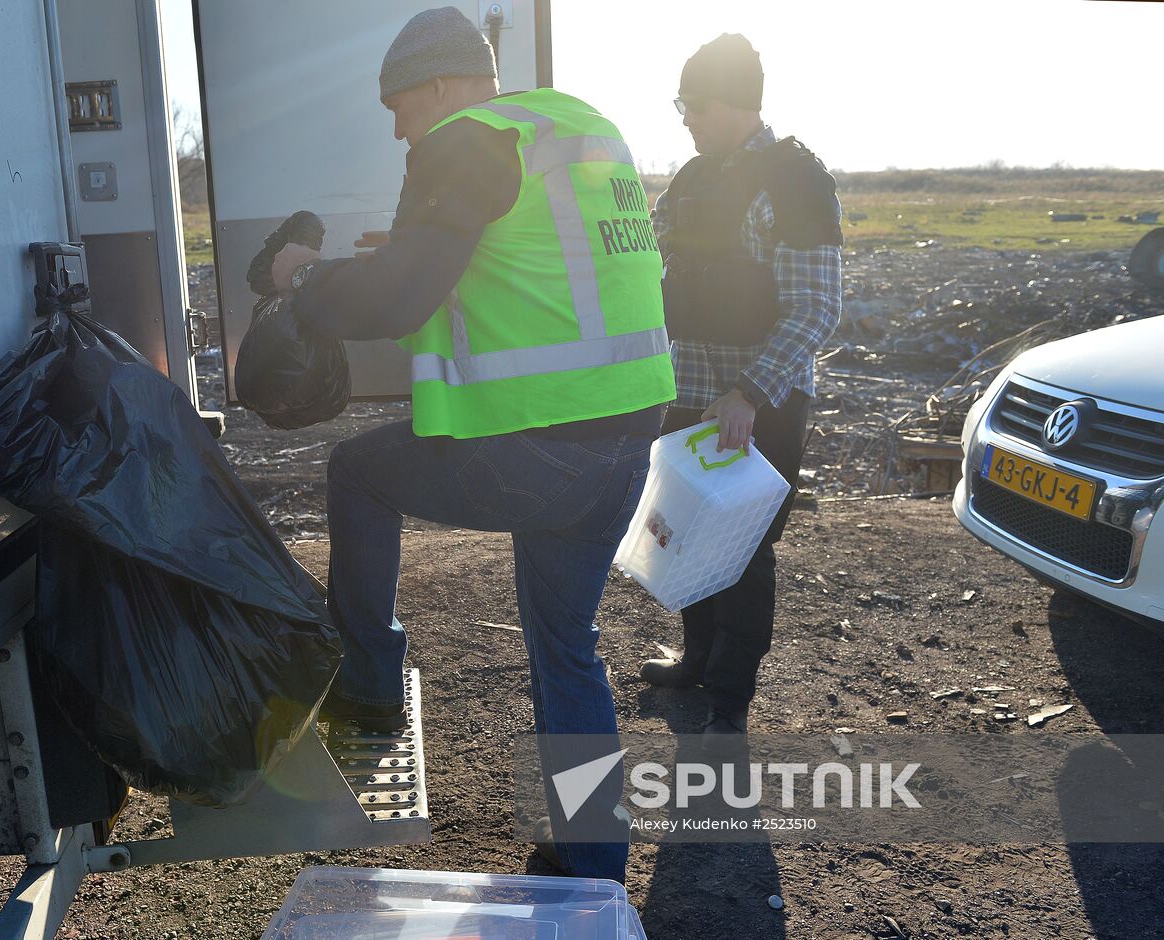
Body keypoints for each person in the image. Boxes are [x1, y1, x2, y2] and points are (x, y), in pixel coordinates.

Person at [270, 7, 675, 883]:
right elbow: (536, 259)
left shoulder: (462, 140)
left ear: (445, 85)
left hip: (546, 450)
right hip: (625, 437)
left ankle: (370, 684)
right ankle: (593, 861)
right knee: (568, 648)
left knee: (359, 473)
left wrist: (304, 280)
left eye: (399, 104)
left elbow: (396, 302)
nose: (396, 125)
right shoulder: (575, 124)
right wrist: (407, 252)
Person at [638, 33, 842, 735]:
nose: (685, 118)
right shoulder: (695, 177)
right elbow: (645, 250)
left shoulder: (795, 180)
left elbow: (818, 306)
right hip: (690, 388)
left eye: (692, 104)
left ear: (731, 105)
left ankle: (731, 696)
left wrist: (747, 393)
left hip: (761, 401)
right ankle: (696, 657)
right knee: (687, 534)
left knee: (743, 547)